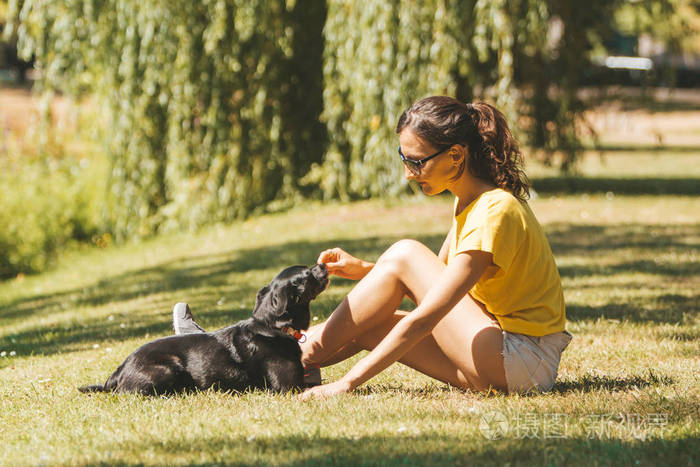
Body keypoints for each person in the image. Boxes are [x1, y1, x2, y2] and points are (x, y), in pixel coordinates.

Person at [173, 95, 572, 398]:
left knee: (405, 253)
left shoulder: (493, 211)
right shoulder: (470, 200)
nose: (408, 172)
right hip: (501, 359)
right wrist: (367, 269)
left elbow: (428, 314)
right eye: (404, 157)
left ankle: (235, 349)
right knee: (374, 323)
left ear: (456, 155)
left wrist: (347, 383)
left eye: (417, 162)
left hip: (520, 360)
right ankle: (247, 363)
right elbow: (440, 278)